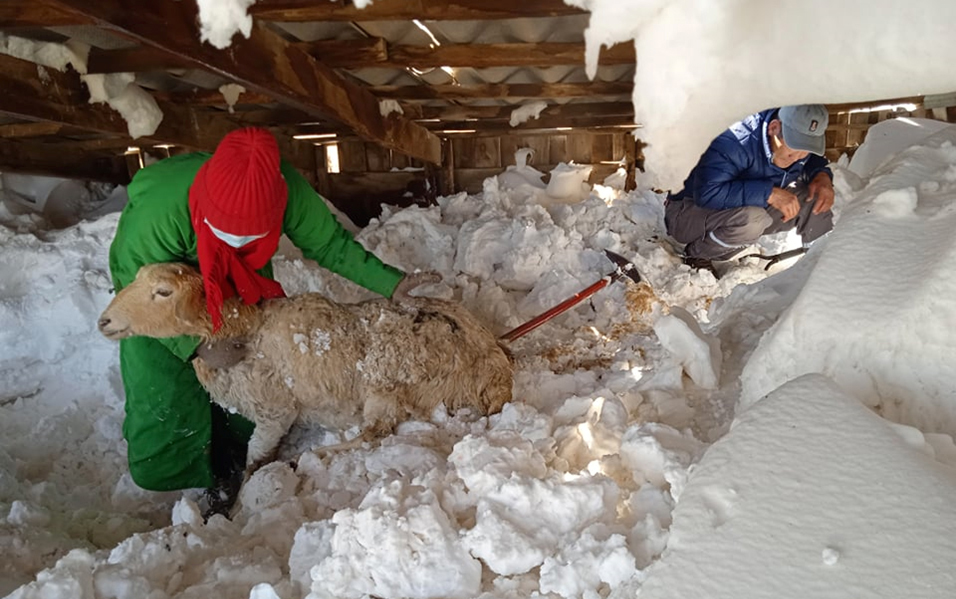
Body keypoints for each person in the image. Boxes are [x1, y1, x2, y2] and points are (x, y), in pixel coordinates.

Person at [108, 127, 436, 513]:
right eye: (227, 232)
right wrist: (192, 343)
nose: (235, 241)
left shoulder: (285, 189)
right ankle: (181, 475)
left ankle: (232, 458)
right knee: (162, 384)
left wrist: (390, 283)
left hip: (240, 280)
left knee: (251, 373)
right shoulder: (158, 216)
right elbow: (134, 284)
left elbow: (328, 243)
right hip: (163, 292)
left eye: (248, 235)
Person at [665, 104, 836, 276]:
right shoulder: (734, 141)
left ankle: (822, 270)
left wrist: (821, 175)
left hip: (744, 206)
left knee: (816, 197)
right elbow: (708, 193)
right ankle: (697, 254)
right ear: (774, 128)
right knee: (753, 220)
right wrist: (769, 193)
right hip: (687, 212)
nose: (797, 158)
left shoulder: (794, 146)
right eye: (792, 151)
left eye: (804, 151)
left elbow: (811, 159)